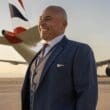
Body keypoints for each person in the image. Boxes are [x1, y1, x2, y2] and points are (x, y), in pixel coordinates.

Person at [21, 5, 98, 110]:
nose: (41, 23)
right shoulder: (37, 56)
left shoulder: (80, 51)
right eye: (40, 19)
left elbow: (87, 96)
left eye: (48, 19)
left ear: (64, 24)